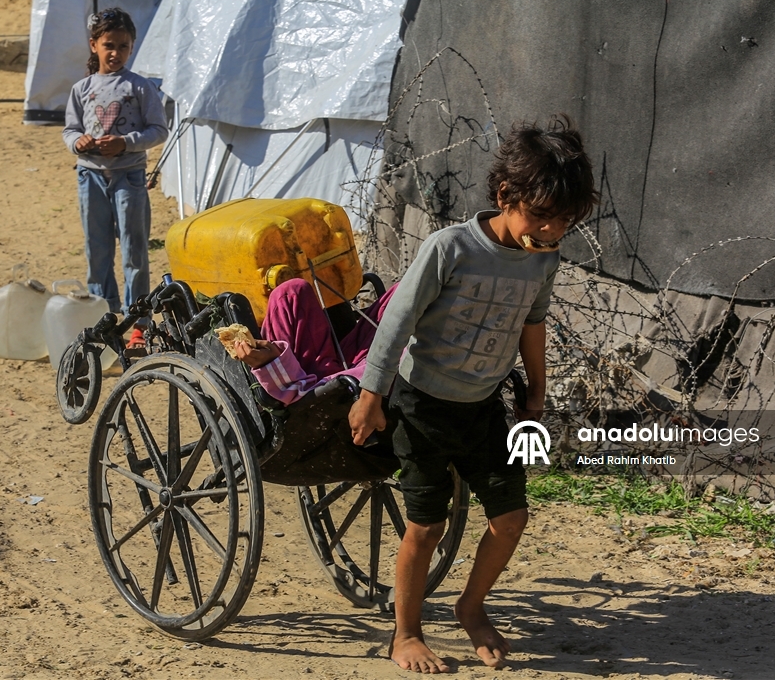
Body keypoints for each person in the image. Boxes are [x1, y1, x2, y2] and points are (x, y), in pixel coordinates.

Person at [349, 115, 599, 673]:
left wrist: (536, 389)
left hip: (484, 407)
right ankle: (406, 632)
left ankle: (470, 605)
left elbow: (533, 322)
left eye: (564, 222)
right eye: (541, 216)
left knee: (510, 518)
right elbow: (397, 322)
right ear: (506, 195)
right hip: (421, 405)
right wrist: (371, 393)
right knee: (427, 525)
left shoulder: (544, 259)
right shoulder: (451, 248)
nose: (553, 231)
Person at [63, 7, 168, 347]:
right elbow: (70, 130)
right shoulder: (81, 89)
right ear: (94, 45)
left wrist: (125, 142)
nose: (115, 53)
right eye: (109, 45)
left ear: (132, 47)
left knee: (134, 250)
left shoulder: (140, 88)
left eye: (123, 46)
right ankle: (102, 316)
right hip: (90, 177)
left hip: (129, 176)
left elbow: (158, 130)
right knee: (97, 249)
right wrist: (78, 142)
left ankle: (138, 321)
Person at [230, 277, 398, 405]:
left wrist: (272, 363)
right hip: (366, 358)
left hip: (334, 388)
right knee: (292, 291)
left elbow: (359, 385)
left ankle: (282, 380)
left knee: (287, 296)